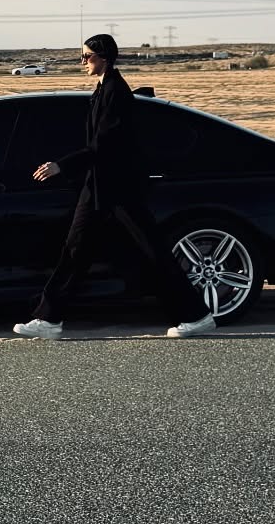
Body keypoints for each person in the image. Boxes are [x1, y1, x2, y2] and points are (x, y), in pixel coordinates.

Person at [13, 33, 218, 340]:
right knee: (75, 250)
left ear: (104, 57)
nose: (82, 62)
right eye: (82, 57)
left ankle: (197, 316)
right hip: (98, 186)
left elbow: (104, 145)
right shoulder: (103, 89)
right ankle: (49, 319)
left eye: (87, 57)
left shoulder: (116, 92)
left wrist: (62, 165)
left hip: (118, 189)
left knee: (153, 252)